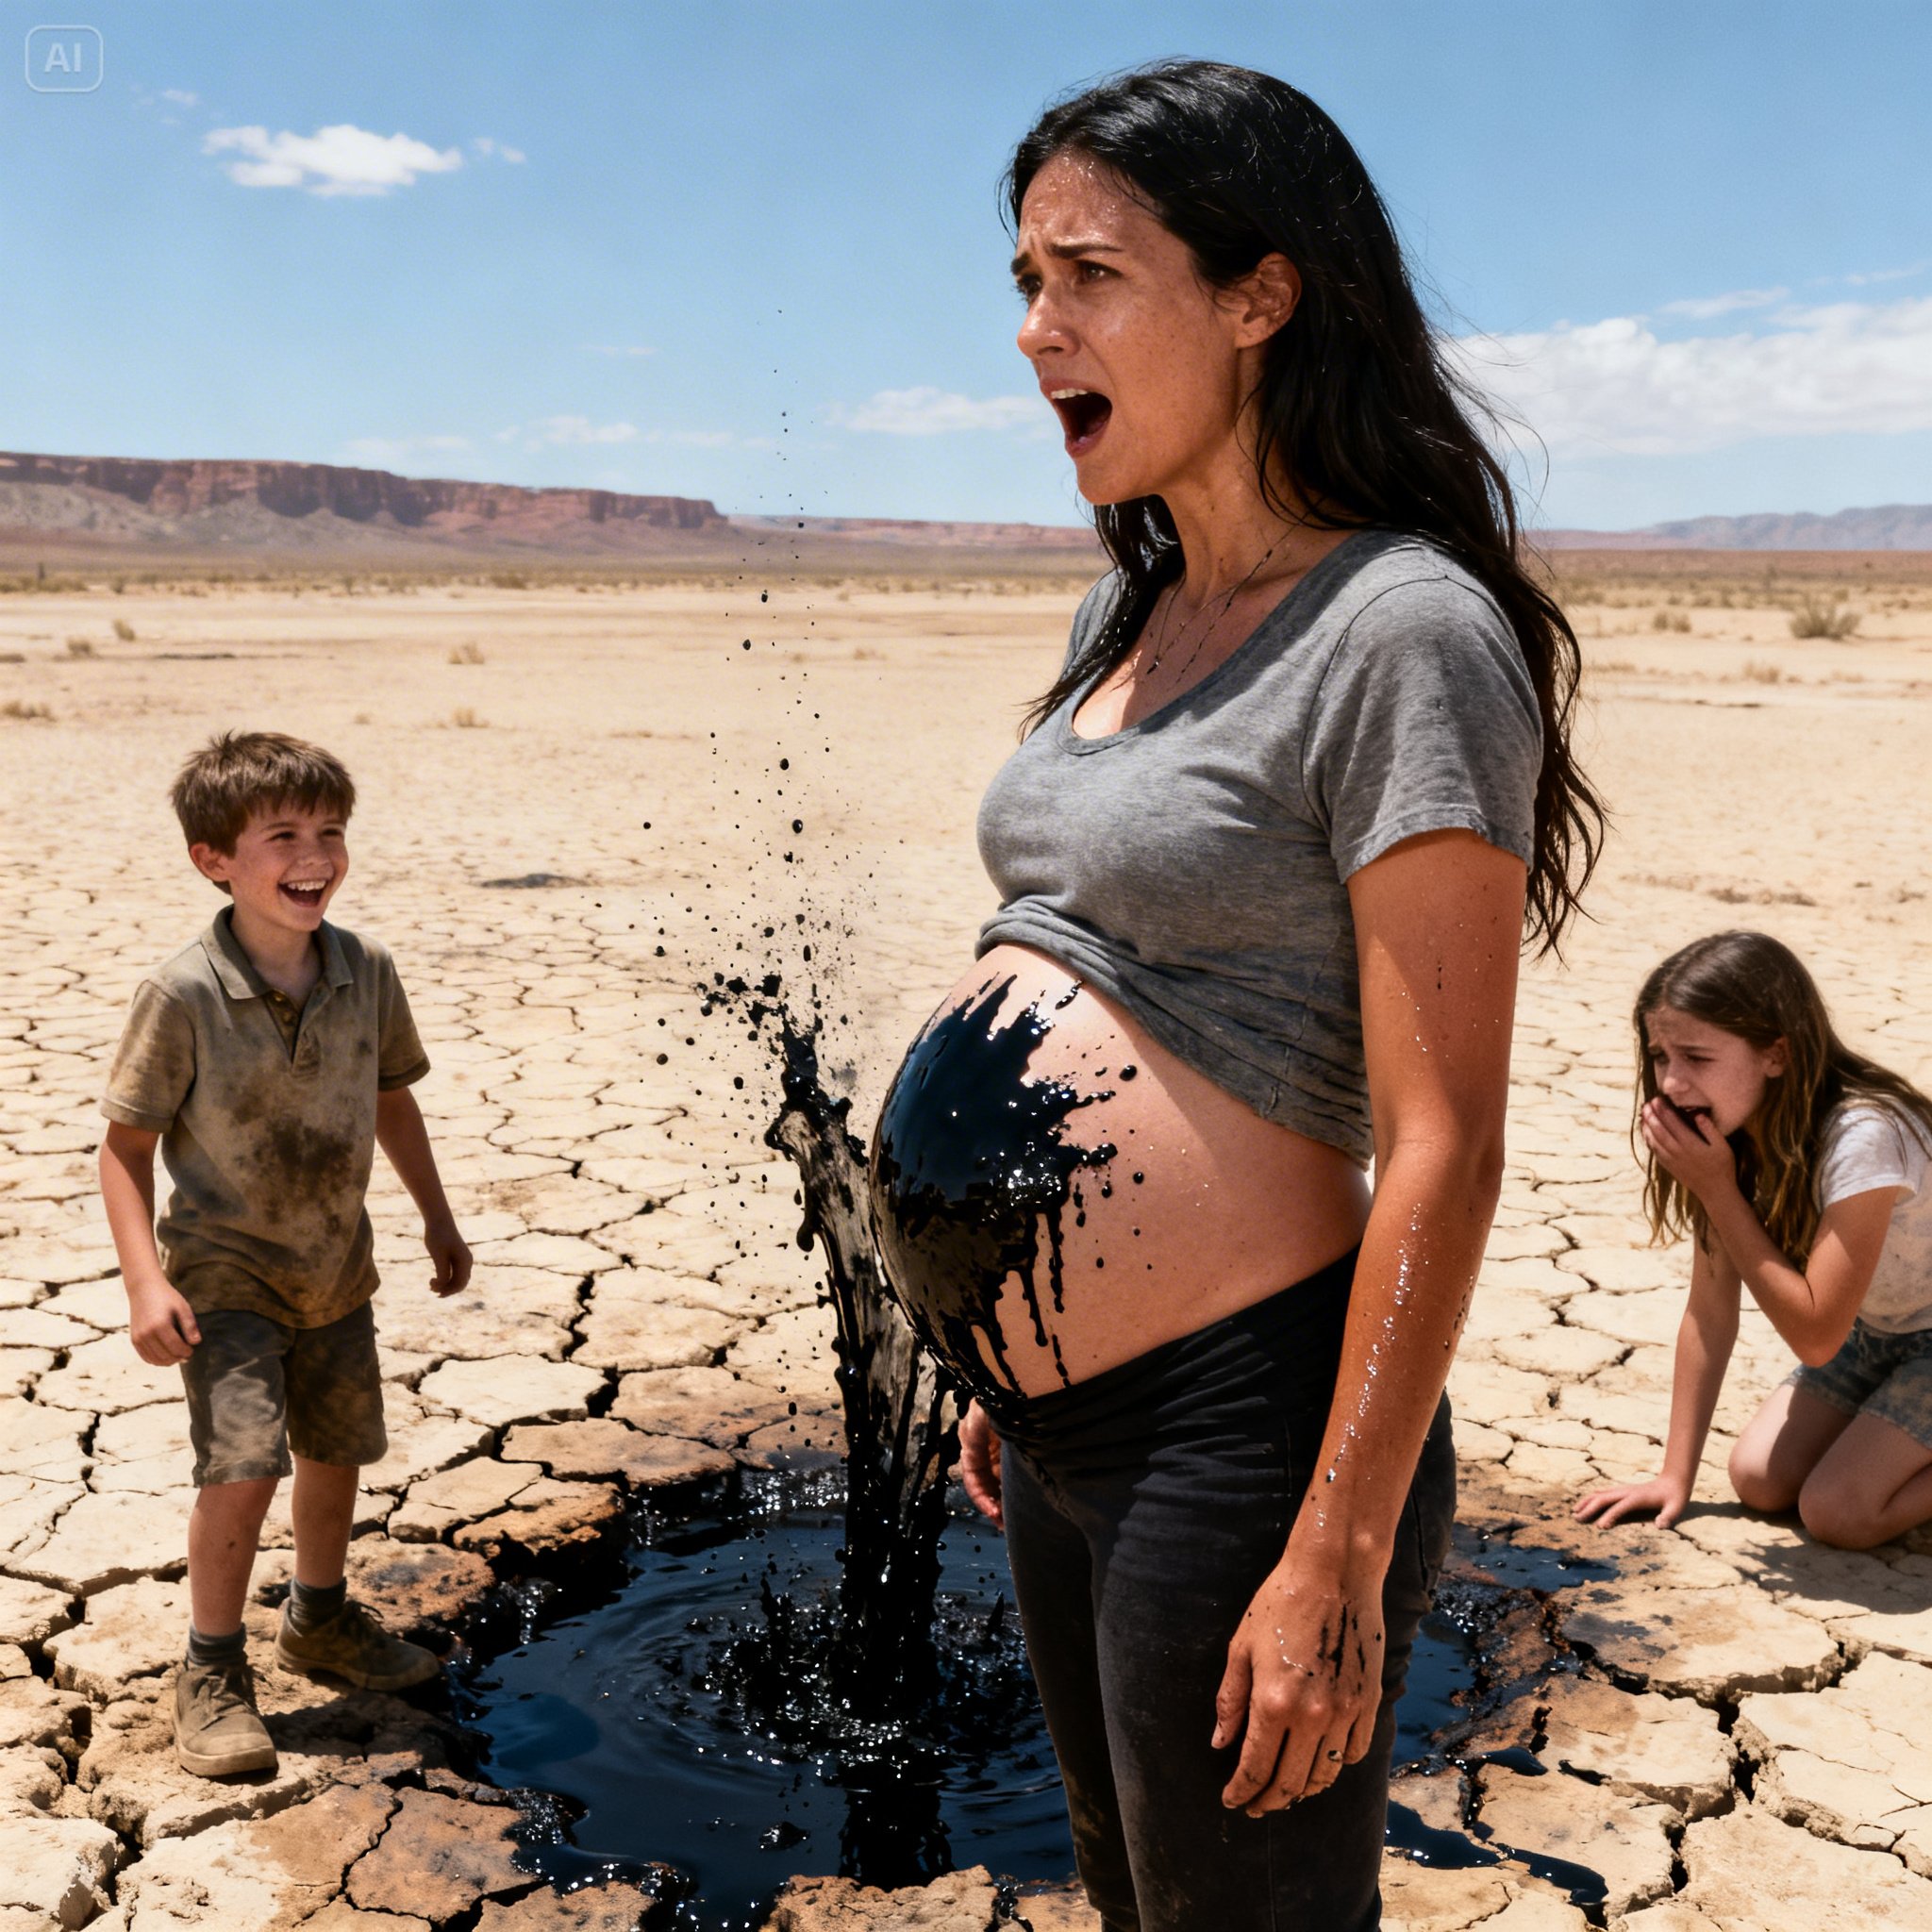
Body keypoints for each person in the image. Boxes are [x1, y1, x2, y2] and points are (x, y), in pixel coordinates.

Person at [865, 59, 1602, 1932]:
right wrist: (1004, 1336)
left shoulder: (1399, 632)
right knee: (1131, 1896)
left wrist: (1340, 1543)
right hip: (1059, 1420)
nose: (1035, 334)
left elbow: (1446, 1139)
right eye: (1022, 284)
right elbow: (1070, 937)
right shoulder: (1126, 610)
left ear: (1259, 295)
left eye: (1086, 276)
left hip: (1248, 1430)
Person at [98, 731, 473, 1778]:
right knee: (246, 1462)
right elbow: (123, 1149)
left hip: (337, 1267)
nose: (314, 854)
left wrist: (437, 1219)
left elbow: (391, 1099)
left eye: (330, 831)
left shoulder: (366, 969)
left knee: (338, 1447)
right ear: (213, 857)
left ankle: (318, 1617)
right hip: (226, 1277)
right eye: (283, 836)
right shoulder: (180, 993)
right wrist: (145, 1280)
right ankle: (212, 1666)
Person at [1575, 931, 1932, 1548]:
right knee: (1760, 1480)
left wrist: (1718, 1192)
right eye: (1661, 1056)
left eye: (1697, 1058)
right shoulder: (1733, 1139)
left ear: (1777, 1054)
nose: (1671, 1083)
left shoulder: (1864, 1135)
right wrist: (1673, 1475)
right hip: (1878, 1335)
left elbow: (1817, 1336)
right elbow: (1710, 1313)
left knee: (1838, 1512)